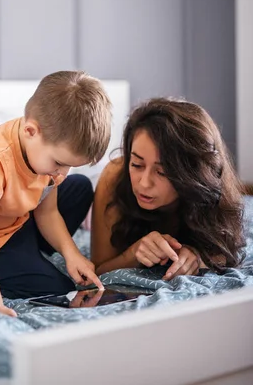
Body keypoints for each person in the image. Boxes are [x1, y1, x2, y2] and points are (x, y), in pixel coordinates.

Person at [0, 70, 112, 317]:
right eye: (58, 163)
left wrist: (72, 254)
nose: (62, 172)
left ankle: (31, 255)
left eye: (68, 164)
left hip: (17, 221)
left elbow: (48, 211)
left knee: (80, 186)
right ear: (31, 132)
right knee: (59, 288)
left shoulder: (43, 150)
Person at [91, 97, 246, 280]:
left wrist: (196, 256)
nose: (144, 184)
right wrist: (133, 255)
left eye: (162, 172)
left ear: (192, 174)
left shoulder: (211, 195)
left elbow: (225, 254)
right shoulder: (115, 176)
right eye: (137, 165)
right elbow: (99, 270)